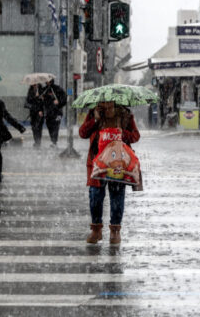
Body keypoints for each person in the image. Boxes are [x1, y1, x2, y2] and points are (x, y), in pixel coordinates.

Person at [79, 101, 140, 245]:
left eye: (109, 102)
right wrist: (95, 120)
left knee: (117, 196)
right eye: (103, 101)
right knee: (95, 196)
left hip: (118, 162)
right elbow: (83, 133)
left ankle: (115, 231)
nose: (106, 104)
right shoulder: (94, 112)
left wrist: (122, 133)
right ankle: (96, 229)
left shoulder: (125, 114)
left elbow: (135, 136)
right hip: (97, 162)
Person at [42, 78, 67, 146]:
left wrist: (59, 102)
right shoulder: (44, 90)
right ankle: (53, 140)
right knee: (49, 126)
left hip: (57, 112)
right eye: (46, 81)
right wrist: (42, 99)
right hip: (48, 112)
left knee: (56, 126)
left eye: (49, 81)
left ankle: (54, 141)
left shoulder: (57, 89)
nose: (47, 82)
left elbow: (64, 99)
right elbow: (42, 101)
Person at [25, 83, 45, 147]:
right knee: (34, 128)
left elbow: (44, 103)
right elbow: (27, 102)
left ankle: (38, 142)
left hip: (40, 113)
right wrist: (35, 97)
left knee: (39, 127)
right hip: (33, 112)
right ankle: (36, 141)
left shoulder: (42, 91)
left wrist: (42, 98)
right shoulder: (30, 91)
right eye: (34, 85)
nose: (35, 86)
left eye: (36, 84)